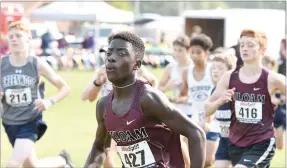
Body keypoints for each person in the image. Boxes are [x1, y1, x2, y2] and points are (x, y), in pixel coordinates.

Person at [84, 31, 206, 168]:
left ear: (136, 64)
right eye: (109, 53)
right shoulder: (104, 105)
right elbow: (100, 146)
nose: (111, 58)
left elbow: (196, 133)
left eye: (121, 53)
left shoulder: (148, 98)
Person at [205, 29, 286, 168]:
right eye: (242, 45)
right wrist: (219, 101)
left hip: (262, 142)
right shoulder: (229, 77)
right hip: (235, 143)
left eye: (250, 45)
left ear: (262, 50)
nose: (244, 49)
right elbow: (207, 109)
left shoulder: (273, 79)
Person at [1, 21, 73, 168]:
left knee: (12, 165)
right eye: (11, 36)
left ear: (28, 38)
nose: (13, 39)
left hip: (30, 122)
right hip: (10, 122)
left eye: (18, 36)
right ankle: (63, 161)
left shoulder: (37, 64)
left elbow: (64, 88)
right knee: (34, 166)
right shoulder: (2, 64)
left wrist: (49, 102)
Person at [81, 53, 158, 168]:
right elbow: (86, 97)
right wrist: (98, 82)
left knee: (125, 156)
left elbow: (153, 82)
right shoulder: (102, 70)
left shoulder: (137, 68)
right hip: (110, 121)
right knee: (108, 156)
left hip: (131, 120)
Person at [174, 34, 217, 167]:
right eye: (192, 52)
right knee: (191, 159)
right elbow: (184, 94)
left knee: (208, 161)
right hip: (194, 119)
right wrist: (175, 99)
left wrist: (209, 117)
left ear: (206, 53)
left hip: (213, 119)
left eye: (198, 52)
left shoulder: (213, 70)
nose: (194, 55)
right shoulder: (187, 72)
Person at [158, 35, 192, 168]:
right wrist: (168, 86)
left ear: (188, 50)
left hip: (193, 110)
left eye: (180, 50)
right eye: (175, 50)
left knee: (194, 150)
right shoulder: (171, 68)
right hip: (176, 111)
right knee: (180, 144)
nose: (177, 53)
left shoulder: (193, 66)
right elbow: (158, 89)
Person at [205, 52, 237, 168]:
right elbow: (208, 110)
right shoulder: (214, 90)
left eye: (220, 68)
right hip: (224, 139)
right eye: (213, 68)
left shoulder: (234, 90)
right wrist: (206, 122)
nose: (215, 71)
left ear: (229, 72)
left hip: (240, 142)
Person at [262, 55, 286, 150]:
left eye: (265, 64)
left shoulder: (276, 79)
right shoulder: (256, 79)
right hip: (264, 117)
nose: (263, 66)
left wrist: (279, 100)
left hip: (279, 114)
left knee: (280, 146)